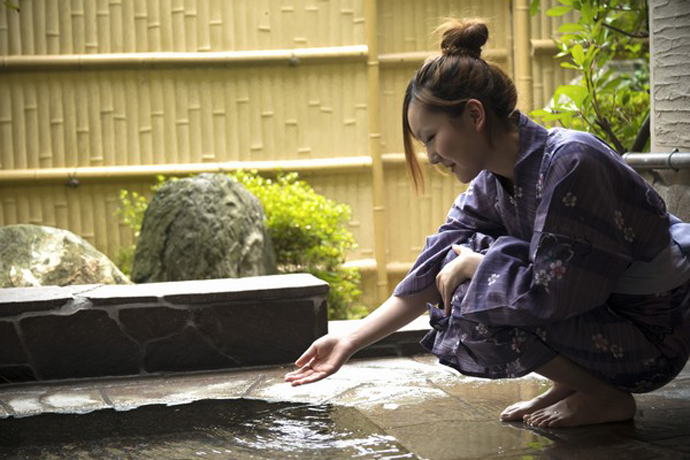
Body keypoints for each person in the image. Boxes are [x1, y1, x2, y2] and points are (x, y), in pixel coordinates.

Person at [284, 18, 690, 428]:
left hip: (652, 339)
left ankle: (603, 396)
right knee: (459, 273)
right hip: (607, 326)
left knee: (470, 294)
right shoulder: (492, 182)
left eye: (430, 137)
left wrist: (479, 266)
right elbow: (434, 265)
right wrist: (350, 340)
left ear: (474, 114)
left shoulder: (571, 161)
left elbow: (559, 294)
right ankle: (580, 384)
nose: (431, 157)